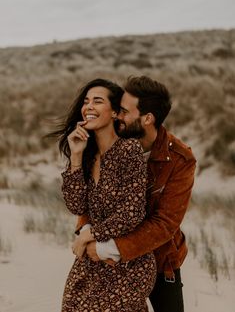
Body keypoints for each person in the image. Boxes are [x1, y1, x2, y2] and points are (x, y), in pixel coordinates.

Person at [77, 76, 196, 312]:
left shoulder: (180, 159)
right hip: (110, 263)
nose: (117, 116)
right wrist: (85, 231)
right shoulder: (108, 143)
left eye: (124, 111)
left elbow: (164, 224)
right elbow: (92, 196)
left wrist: (107, 247)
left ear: (147, 118)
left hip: (161, 260)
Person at [55, 78, 156, 312]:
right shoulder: (88, 155)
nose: (88, 106)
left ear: (113, 113)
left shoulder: (128, 150)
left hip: (126, 263)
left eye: (97, 101)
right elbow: (75, 205)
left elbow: (132, 213)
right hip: (90, 264)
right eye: (86, 101)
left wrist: (88, 235)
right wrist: (77, 157)